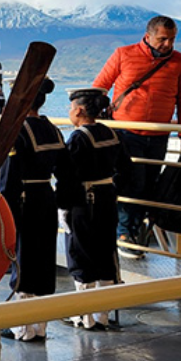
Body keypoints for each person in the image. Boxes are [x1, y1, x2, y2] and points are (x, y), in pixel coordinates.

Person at [92, 15, 181, 258]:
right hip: (126, 133)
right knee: (131, 183)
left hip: (158, 135)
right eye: (162, 39)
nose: (168, 45)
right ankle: (124, 234)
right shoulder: (123, 54)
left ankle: (134, 232)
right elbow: (99, 87)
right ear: (148, 36)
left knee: (149, 185)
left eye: (172, 39)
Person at [0, 77, 68, 342]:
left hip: (25, 201)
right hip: (46, 197)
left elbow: (9, 178)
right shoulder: (52, 129)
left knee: (24, 261)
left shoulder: (18, 131)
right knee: (43, 260)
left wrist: (4, 216)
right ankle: (40, 326)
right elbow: (66, 170)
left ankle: (22, 328)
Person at [57, 88, 132, 331]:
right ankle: (102, 315)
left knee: (80, 253)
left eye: (71, 109)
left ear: (79, 110)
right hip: (107, 197)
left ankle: (84, 317)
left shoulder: (79, 138)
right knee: (104, 253)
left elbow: (68, 175)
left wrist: (63, 205)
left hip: (84, 200)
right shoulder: (112, 133)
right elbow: (125, 167)